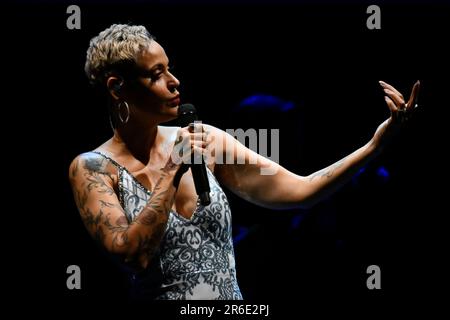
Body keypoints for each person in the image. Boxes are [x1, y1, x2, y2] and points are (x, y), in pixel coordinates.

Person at [69, 24, 420, 300]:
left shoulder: (204, 139)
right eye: (156, 74)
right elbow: (134, 255)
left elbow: (300, 190)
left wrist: (376, 145)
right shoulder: (92, 168)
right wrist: (172, 171)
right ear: (117, 87)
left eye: (170, 69)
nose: (175, 82)